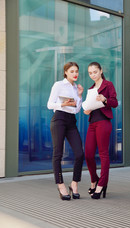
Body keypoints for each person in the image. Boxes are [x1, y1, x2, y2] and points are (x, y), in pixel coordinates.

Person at [47, 62, 84, 200]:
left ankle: (74, 183)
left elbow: (77, 110)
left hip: (71, 121)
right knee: (58, 153)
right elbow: (49, 104)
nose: (75, 74)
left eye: (77, 71)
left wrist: (79, 96)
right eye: (72, 71)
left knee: (80, 153)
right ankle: (60, 184)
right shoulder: (58, 85)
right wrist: (63, 103)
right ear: (66, 72)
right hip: (59, 119)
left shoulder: (76, 88)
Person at [84, 62, 118, 199]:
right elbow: (88, 107)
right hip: (92, 123)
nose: (93, 75)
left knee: (103, 154)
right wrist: (87, 110)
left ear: (101, 71)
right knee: (88, 154)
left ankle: (101, 184)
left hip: (104, 122)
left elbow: (114, 103)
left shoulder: (108, 85)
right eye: (90, 73)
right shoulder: (91, 88)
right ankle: (94, 179)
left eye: (95, 72)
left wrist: (104, 99)